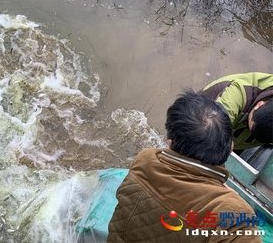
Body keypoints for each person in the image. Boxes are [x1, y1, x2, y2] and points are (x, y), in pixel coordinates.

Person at [108, 91, 261, 243]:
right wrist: (233, 199)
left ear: (170, 141)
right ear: (230, 147)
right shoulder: (235, 216)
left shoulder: (145, 160)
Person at [201, 72, 273, 149]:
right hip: (203, 112)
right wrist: (225, 143)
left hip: (239, 139)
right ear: (259, 104)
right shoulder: (239, 93)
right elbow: (218, 119)